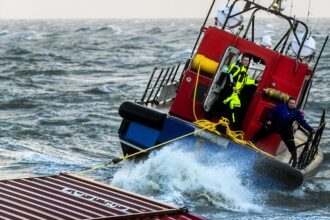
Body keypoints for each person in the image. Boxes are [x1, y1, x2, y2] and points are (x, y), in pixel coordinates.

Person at [252, 97, 314, 167]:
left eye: (294, 103)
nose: (292, 105)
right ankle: (252, 141)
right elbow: (272, 112)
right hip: (275, 125)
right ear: (288, 103)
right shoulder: (281, 107)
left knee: (291, 143)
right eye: (291, 103)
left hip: (285, 129)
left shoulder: (296, 113)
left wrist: (310, 129)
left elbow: (303, 122)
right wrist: (269, 119)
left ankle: (294, 160)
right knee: (264, 130)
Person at [223, 55, 257, 128]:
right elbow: (230, 75)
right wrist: (233, 85)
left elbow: (246, 81)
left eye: (247, 61)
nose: (246, 62)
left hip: (236, 93)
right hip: (230, 91)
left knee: (233, 109)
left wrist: (255, 81)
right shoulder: (237, 66)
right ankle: (226, 125)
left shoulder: (244, 70)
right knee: (228, 108)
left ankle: (228, 126)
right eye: (245, 60)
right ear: (242, 60)